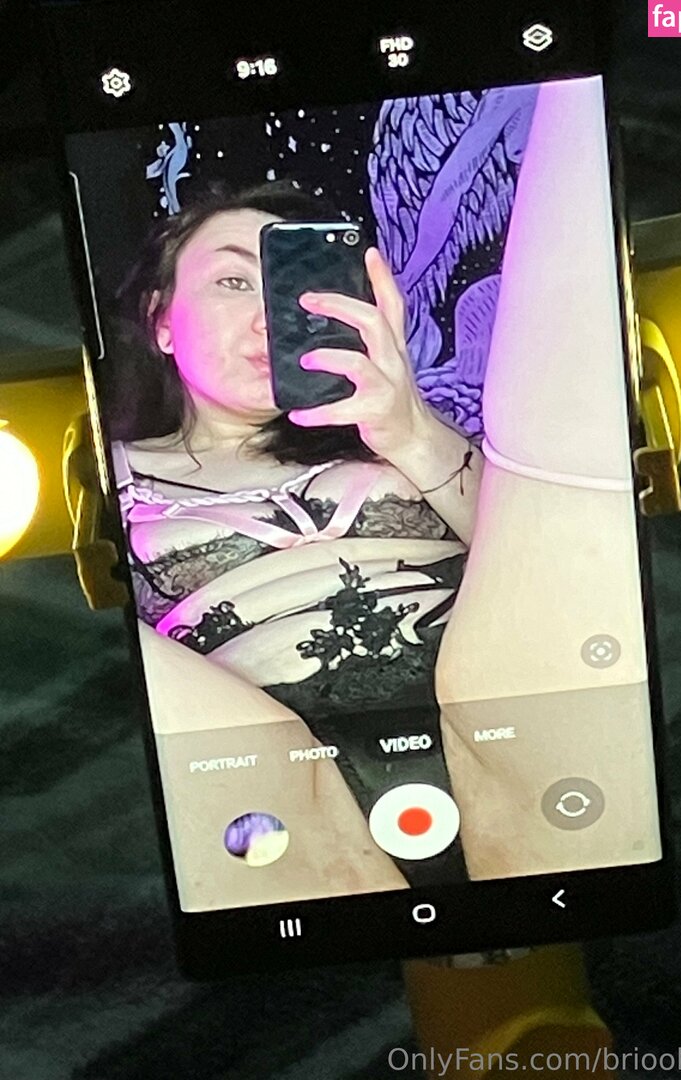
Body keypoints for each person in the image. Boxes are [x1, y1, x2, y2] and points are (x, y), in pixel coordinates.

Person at [106, 180, 484, 901]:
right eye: (233, 281)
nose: (271, 316)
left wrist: (409, 430)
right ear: (161, 322)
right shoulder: (99, 474)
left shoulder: (412, 436)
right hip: (272, 776)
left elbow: (554, 561)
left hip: (491, 713)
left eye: (296, 283)